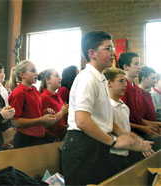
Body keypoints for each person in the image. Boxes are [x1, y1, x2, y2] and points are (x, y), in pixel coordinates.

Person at [61, 31, 152, 185]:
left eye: (113, 48)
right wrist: (114, 141)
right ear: (92, 53)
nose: (113, 52)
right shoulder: (87, 78)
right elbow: (82, 121)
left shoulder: (101, 78)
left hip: (96, 142)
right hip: (83, 145)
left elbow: (104, 117)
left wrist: (124, 133)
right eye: (108, 48)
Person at [103, 67, 154, 177]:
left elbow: (126, 132)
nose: (125, 84)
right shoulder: (107, 107)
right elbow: (107, 137)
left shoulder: (124, 106)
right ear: (109, 83)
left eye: (125, 81)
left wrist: (139, 144)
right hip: (112, 157)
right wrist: (135, 145)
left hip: (126, 154)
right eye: (121, 81)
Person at [118, 52, 161, 164]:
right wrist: (144, 128)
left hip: (138, 132)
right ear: (125, 67)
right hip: (130, 135)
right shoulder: (123, 88)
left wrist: (150, 125)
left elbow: (138, 118)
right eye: (136, 64)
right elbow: (123, 120)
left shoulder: (135, 89)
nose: (139, 67)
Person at [8, 60, 56, 148]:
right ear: (22, 75)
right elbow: (15, 122)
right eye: (32, 71)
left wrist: (45, 113)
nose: (36, 74)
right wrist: (41, 119)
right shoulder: (18, 93)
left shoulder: (34, 90)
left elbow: (33, 113)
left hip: (38, 136)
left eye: (36, 71)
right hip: (26, 138)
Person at [39, 69, 69, 143]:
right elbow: (45, 124)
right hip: (49, 139)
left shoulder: (58, 96)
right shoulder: (44, 97)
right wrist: (62, 112)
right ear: (48, 80)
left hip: (59, 136)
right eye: (56, 76)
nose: (60, 78)